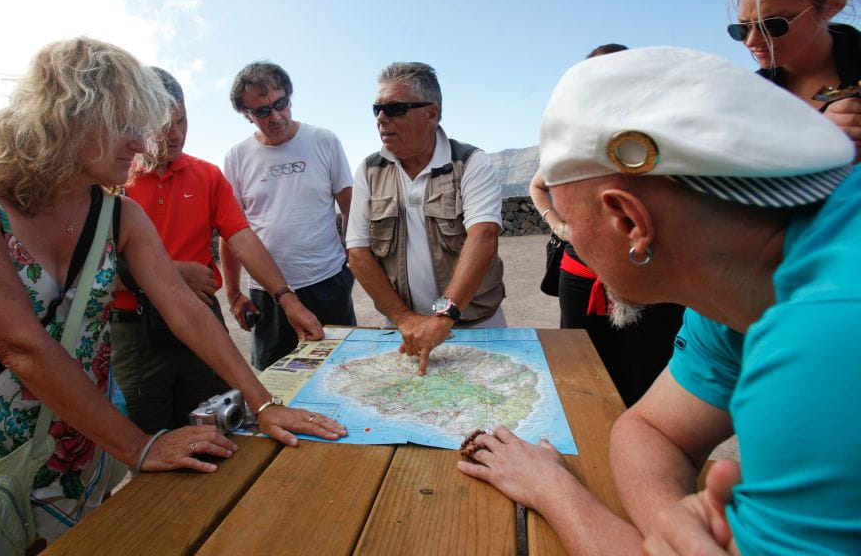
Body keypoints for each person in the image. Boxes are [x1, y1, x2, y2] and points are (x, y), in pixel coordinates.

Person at [0, 38, 345, 543]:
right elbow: (19, 344)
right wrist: (139, 446)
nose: (142, 143)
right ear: (69, 114)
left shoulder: (118, 213)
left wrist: (264, 405)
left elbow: (185, 309)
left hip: (74, 459)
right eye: (127, 125)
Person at [457, 46, 860, 554]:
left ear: (630, 222)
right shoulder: (738, 287)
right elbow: (651, 429)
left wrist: (552, 489)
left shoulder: (827, 339)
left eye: (565, 219)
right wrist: (674, 525)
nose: (571, 240)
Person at [110, 67, 325, 433]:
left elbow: (242, 238)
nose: (176, 135)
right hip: (135, 332)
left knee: (220, 425)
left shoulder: (207, 176)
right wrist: (173, 273)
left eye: (182, 120)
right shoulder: (113, 180)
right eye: (163, 125)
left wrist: (287, 299)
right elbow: (89, 267)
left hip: (201, 319)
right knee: (148, 438)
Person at [530, 43, 684, 406]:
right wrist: (557, 224)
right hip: (581, 280)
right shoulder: (572, 135)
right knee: (584, 382)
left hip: (651, 284)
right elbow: (538, 185)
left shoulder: (667, 131)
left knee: (645, 383)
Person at [347, 62, 505, 376]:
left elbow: (483, 235)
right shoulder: (369, 170)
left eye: (394, 108)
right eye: (377, 108)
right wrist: (405, 319)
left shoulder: (470, 163)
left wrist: (443, 317)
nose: (381, 118)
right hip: (404, 332)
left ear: (431, 113)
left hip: (474, 325)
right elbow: (358, 252)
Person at [222, 62, 357, 371]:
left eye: (279, 104)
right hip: (267, 294)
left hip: (326, 281)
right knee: (277, 379)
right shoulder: (237, 157)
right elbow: (231, 229)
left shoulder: (324, 141)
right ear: (247, 115)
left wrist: (350, 266)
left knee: (341, 373)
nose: (275, 116)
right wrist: (232, 293)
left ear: (289, 97)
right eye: (262, 111)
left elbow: (352, 208)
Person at [729, 0, 861, 162]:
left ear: (833, 5)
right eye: (742, 29)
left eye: (773, 25)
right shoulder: (748, 97)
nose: (751, 41)